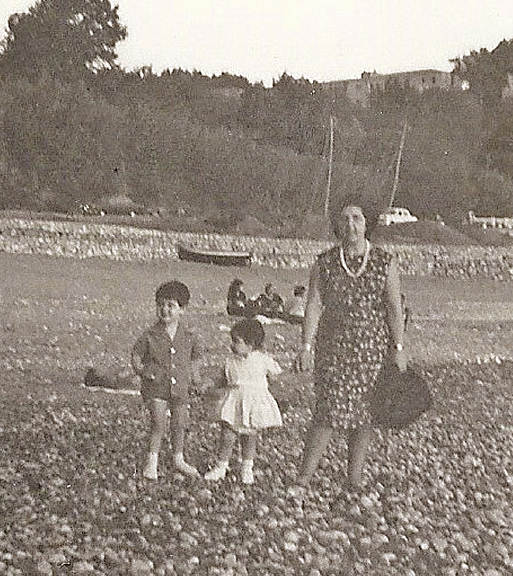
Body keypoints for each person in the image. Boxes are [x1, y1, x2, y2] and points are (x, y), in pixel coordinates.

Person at [291, 203, 408, 492]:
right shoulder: (325, 262)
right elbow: (314, 305)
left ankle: (354, 477)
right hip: (332, 348)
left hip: (372, 348)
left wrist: (399, 347)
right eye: (345, 219)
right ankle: (304, 477)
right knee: (327, 411)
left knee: (365, 414)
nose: (351, 225)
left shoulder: (384, 261)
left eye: (357, 218)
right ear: (337, 224)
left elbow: (394, 307)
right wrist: (305, 346)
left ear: (367, 223)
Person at [131, 280, 202, 480]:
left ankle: (178, 458)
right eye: (161, 304)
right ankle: (151, 461)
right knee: (158, 422)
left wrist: (195, 376)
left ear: (182, 310)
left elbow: (196, 355)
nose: (165, 310)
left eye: (171, 305)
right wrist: (142, 371)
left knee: (180, 423)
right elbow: (136, 355)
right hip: (156, 387)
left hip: (180, 387)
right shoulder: (150, 335)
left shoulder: (188, 336)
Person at [202, 318, 284, 485]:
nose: (232, 345)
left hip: (253, 404)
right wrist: (209, 385)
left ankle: (247, 467)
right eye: (233, 341)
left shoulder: (261, 359)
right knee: (227, 436)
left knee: (249, 437)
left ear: (251, 344)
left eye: (237, 342)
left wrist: (275, 391)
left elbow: (276, 374)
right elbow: (222, 380)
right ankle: (221, 466)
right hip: (234, 402)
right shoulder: (230, 362)